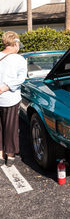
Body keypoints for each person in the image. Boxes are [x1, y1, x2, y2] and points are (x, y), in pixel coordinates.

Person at [0, 31, 27, 166]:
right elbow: (21, 79)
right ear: (15, 43)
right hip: (10, 99)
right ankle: (9, 155)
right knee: (10, 127)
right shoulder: (19, 59)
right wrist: (5, 88)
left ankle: (0, 154)